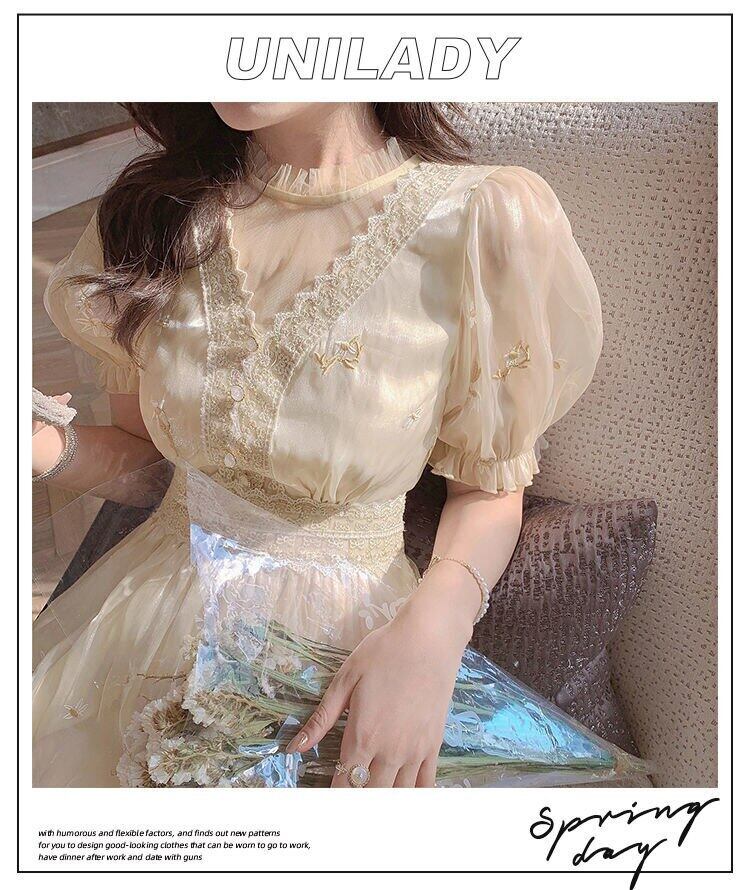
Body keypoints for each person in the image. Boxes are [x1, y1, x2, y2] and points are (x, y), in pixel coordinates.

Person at [32, 102, 602, 787]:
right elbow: (151, 461)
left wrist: (433, 640)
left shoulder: (479, 218)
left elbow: (488, 486)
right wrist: (38, 447)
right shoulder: (151, 213)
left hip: (352, 643)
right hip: (140, 627)